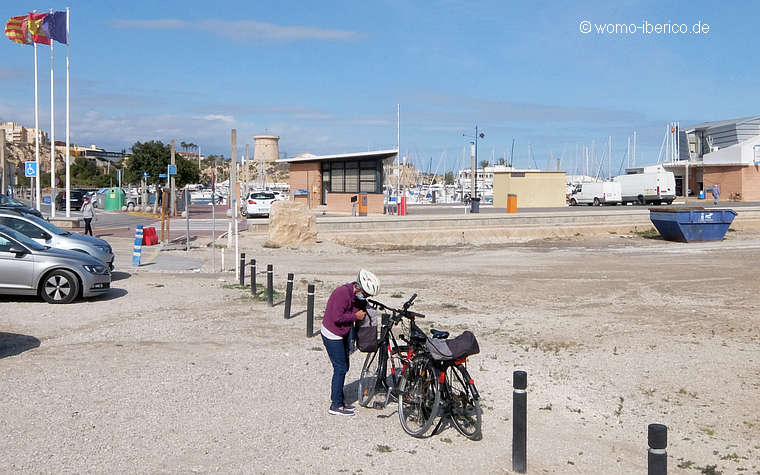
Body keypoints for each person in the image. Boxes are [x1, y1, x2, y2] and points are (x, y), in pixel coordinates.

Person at [321, 269, 381, 416]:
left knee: (344, 366)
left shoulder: (355, 295)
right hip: (332, 334)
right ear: (358, 287)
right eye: (365, 294)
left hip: (343, 333)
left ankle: (339, 398)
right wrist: (355, 316)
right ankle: (336, 405)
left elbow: (356, 307)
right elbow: (337, 317)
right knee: (340, 368)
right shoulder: (342, 293)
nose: (365, 297)